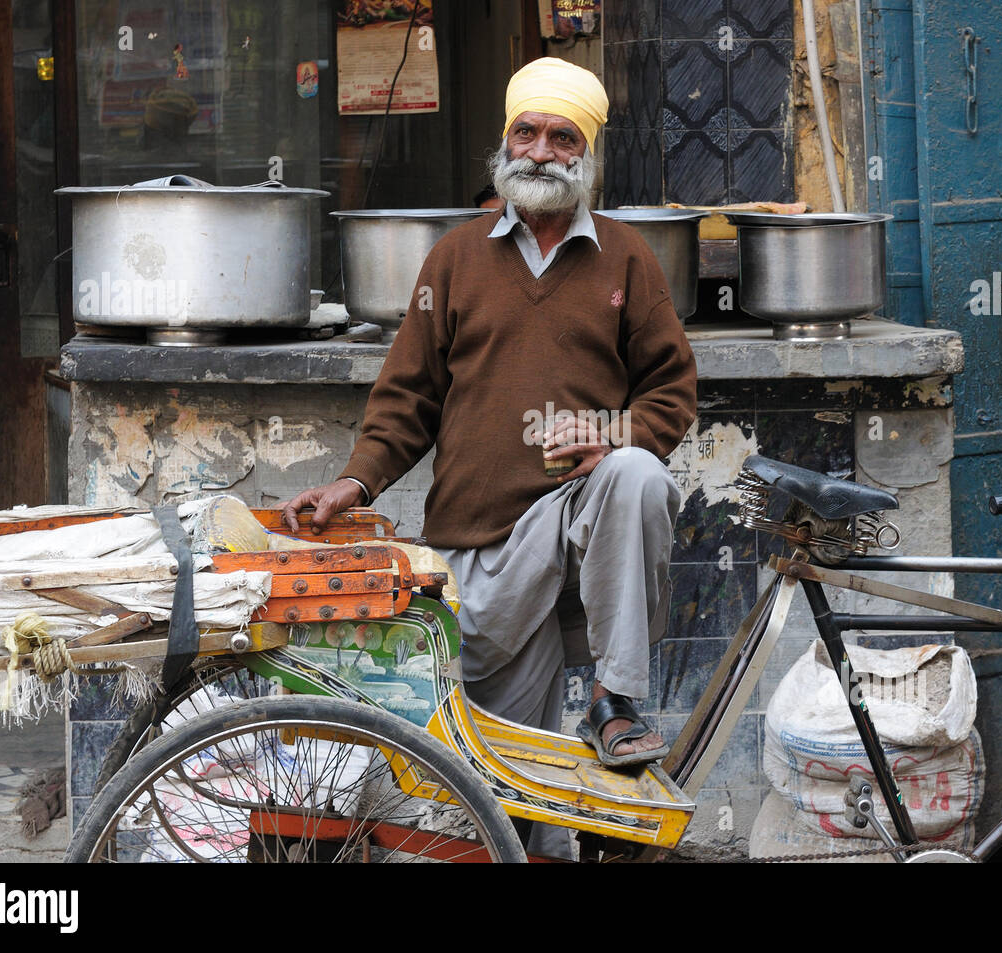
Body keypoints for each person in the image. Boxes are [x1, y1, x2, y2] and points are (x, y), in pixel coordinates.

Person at [283, 58, 696, 842]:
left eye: (561, 136)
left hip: (576, 527)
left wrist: (612, 433)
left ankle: (615, 699)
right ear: (505, 144)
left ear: (587, 154)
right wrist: (355, 481)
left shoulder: (627, 259)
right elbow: (407, 396)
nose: (540, 150)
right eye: (527, 132)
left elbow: (671, 394)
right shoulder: (456, 258)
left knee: (636, 472)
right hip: (478, 544)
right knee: (509, 796)